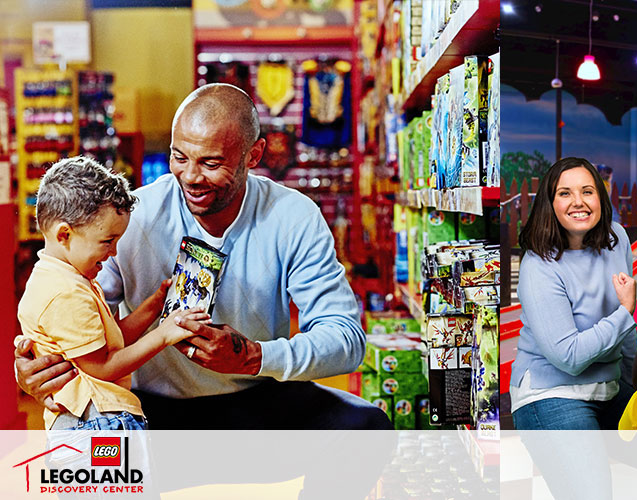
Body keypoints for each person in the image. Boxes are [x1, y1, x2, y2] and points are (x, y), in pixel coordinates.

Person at [15, 83, 390, 431]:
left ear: (253, 154)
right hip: (148, 408)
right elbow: (75, 315)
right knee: (90, 465)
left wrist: (254, 357)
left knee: (365, 427)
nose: (190, 176)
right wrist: (34, 368)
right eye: (179, 157)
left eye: (211, 163)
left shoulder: (292, 215)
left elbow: (346, 341)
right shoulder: (127, 218)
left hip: (258, 398)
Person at [20, 156, 207, 431]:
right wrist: (164, 334)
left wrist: (154, 305)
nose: (114, 253)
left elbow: (110, 345)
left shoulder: (68, 278)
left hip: (99, 417)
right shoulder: (64, 293)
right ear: (64, 235)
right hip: (96, 420)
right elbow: (104, 366)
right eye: (107, 241)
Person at [510, 157, 637, 500]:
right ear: (550, 204)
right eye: (565, 193)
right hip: (552, 393)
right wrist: (624, 312)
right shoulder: (539, 265)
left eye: (587, 191)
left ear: (601, 198)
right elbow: (568, 357)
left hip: (610, 388)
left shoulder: (616, 238)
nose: (578, 202)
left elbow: (626, 339)